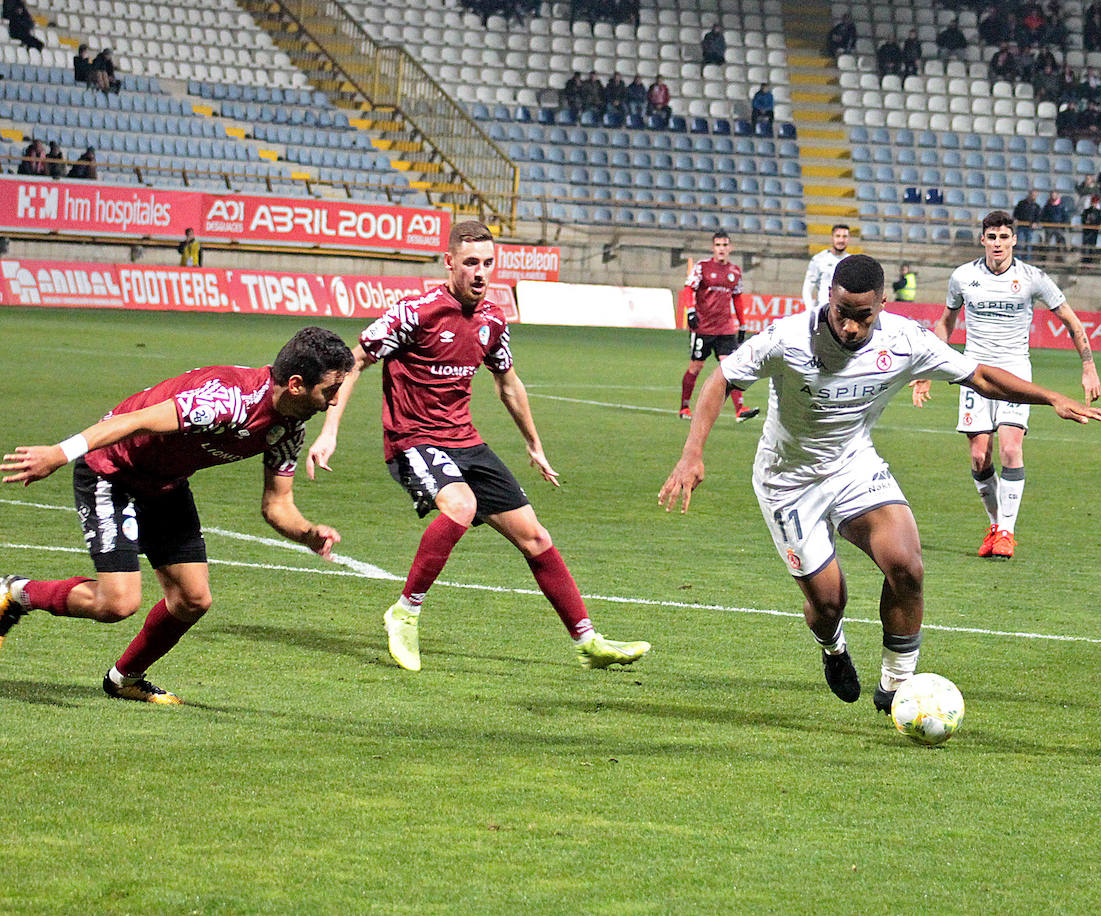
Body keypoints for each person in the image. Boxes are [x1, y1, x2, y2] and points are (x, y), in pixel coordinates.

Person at [660, 254, 1101, 713]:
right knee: (830, 602)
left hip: (853, 465)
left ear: (882, 303)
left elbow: (980, 375)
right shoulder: (788, 338)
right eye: (842, 314)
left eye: (863, 316)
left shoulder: (905, 340)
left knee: (906, 564)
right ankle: (833, 648)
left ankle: (896, 687)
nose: (851, 328)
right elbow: (721, 378)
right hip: (787, 480)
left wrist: (1051, 396)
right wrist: (691, 454)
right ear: (829, 299)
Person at [305, 221, 650, 673]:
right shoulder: (415, 312)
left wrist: (535, 445)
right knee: (461, 506)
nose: (481, 272)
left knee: (536, 537)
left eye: (488, 263)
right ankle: (404, 612)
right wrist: (330, 430)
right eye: (471, 263)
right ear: (449, 262)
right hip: (414, 440)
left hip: (465, 442)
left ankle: (588, 640)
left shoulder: (492, 320)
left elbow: (507, 383)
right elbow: (355, 361)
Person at [0, 327, 356, 703]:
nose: (333, 402)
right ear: (297, 384)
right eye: (330, 390)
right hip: (112, 471)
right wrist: (59, 452)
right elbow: (133, 422)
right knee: (117, 603)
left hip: (165, 485)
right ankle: (16, 593)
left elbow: (277, 504)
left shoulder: (289, 428)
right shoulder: (227, 400)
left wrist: (307, 534)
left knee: (192, 599)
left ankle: (124, 679)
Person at [909, 211, 1101, 560]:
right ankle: (998, 527)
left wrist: (1088, 366)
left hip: (1015, 371)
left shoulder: (1033, 278)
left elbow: (1071, 321)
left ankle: (1007, 534)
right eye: (992, 237)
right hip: (974, 371)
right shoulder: (963, 277)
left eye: (1004, 237)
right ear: (982, 240)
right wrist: (926, 370)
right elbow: (945, 322)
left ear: (1014, 239)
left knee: (1011, 449)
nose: (998, 243)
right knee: (979, 455)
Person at [679, 231, 758, 423]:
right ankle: (684, 407)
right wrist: (690, 311)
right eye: (718, 245)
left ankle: (740, 410)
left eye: (725, 245)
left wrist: (742, 324)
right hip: (703, 328)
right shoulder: (702, 267)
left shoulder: (735, 272)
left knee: (731, 367)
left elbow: (737, 298)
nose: (722, 249)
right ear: (713, 247)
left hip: (725, 328)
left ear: (730, 248)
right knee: (696, 367)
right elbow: (689, 289)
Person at [801, 224, 849, 309]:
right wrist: (810, 310)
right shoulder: (819, 259)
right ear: (832, 238)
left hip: (843, 312)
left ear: (848, 239)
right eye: (838, 236)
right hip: (823, 310)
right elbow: (807, 287)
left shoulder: (851, 261)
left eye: (845, 236)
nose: (841, 240)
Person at [1012, 190, 1041, 260]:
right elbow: (1015, 213)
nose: (1034, 197)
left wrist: (1035, 223)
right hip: (1021, 226)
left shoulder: (1036, 206)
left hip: (1030, 227)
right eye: (1033, 195)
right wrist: (1015, 219)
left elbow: (1038, 217)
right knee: (1019, 243)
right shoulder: (1021, 203)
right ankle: (1017, 259)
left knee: (1028, 244)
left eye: (1035, 196)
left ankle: (1028, 259)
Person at [1080, 194, 1101, 265]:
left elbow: (1099, 222)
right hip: (1087, 231)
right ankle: (1084, 261)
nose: (1095, 204)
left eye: (1096, 203)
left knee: (1092, 247)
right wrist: (1086, 222)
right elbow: (1083, 220)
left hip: (1094, 232)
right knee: (1085, 247)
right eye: (1094, 202)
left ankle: (1090, 262)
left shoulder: (1098, 212)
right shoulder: (1086, 211)